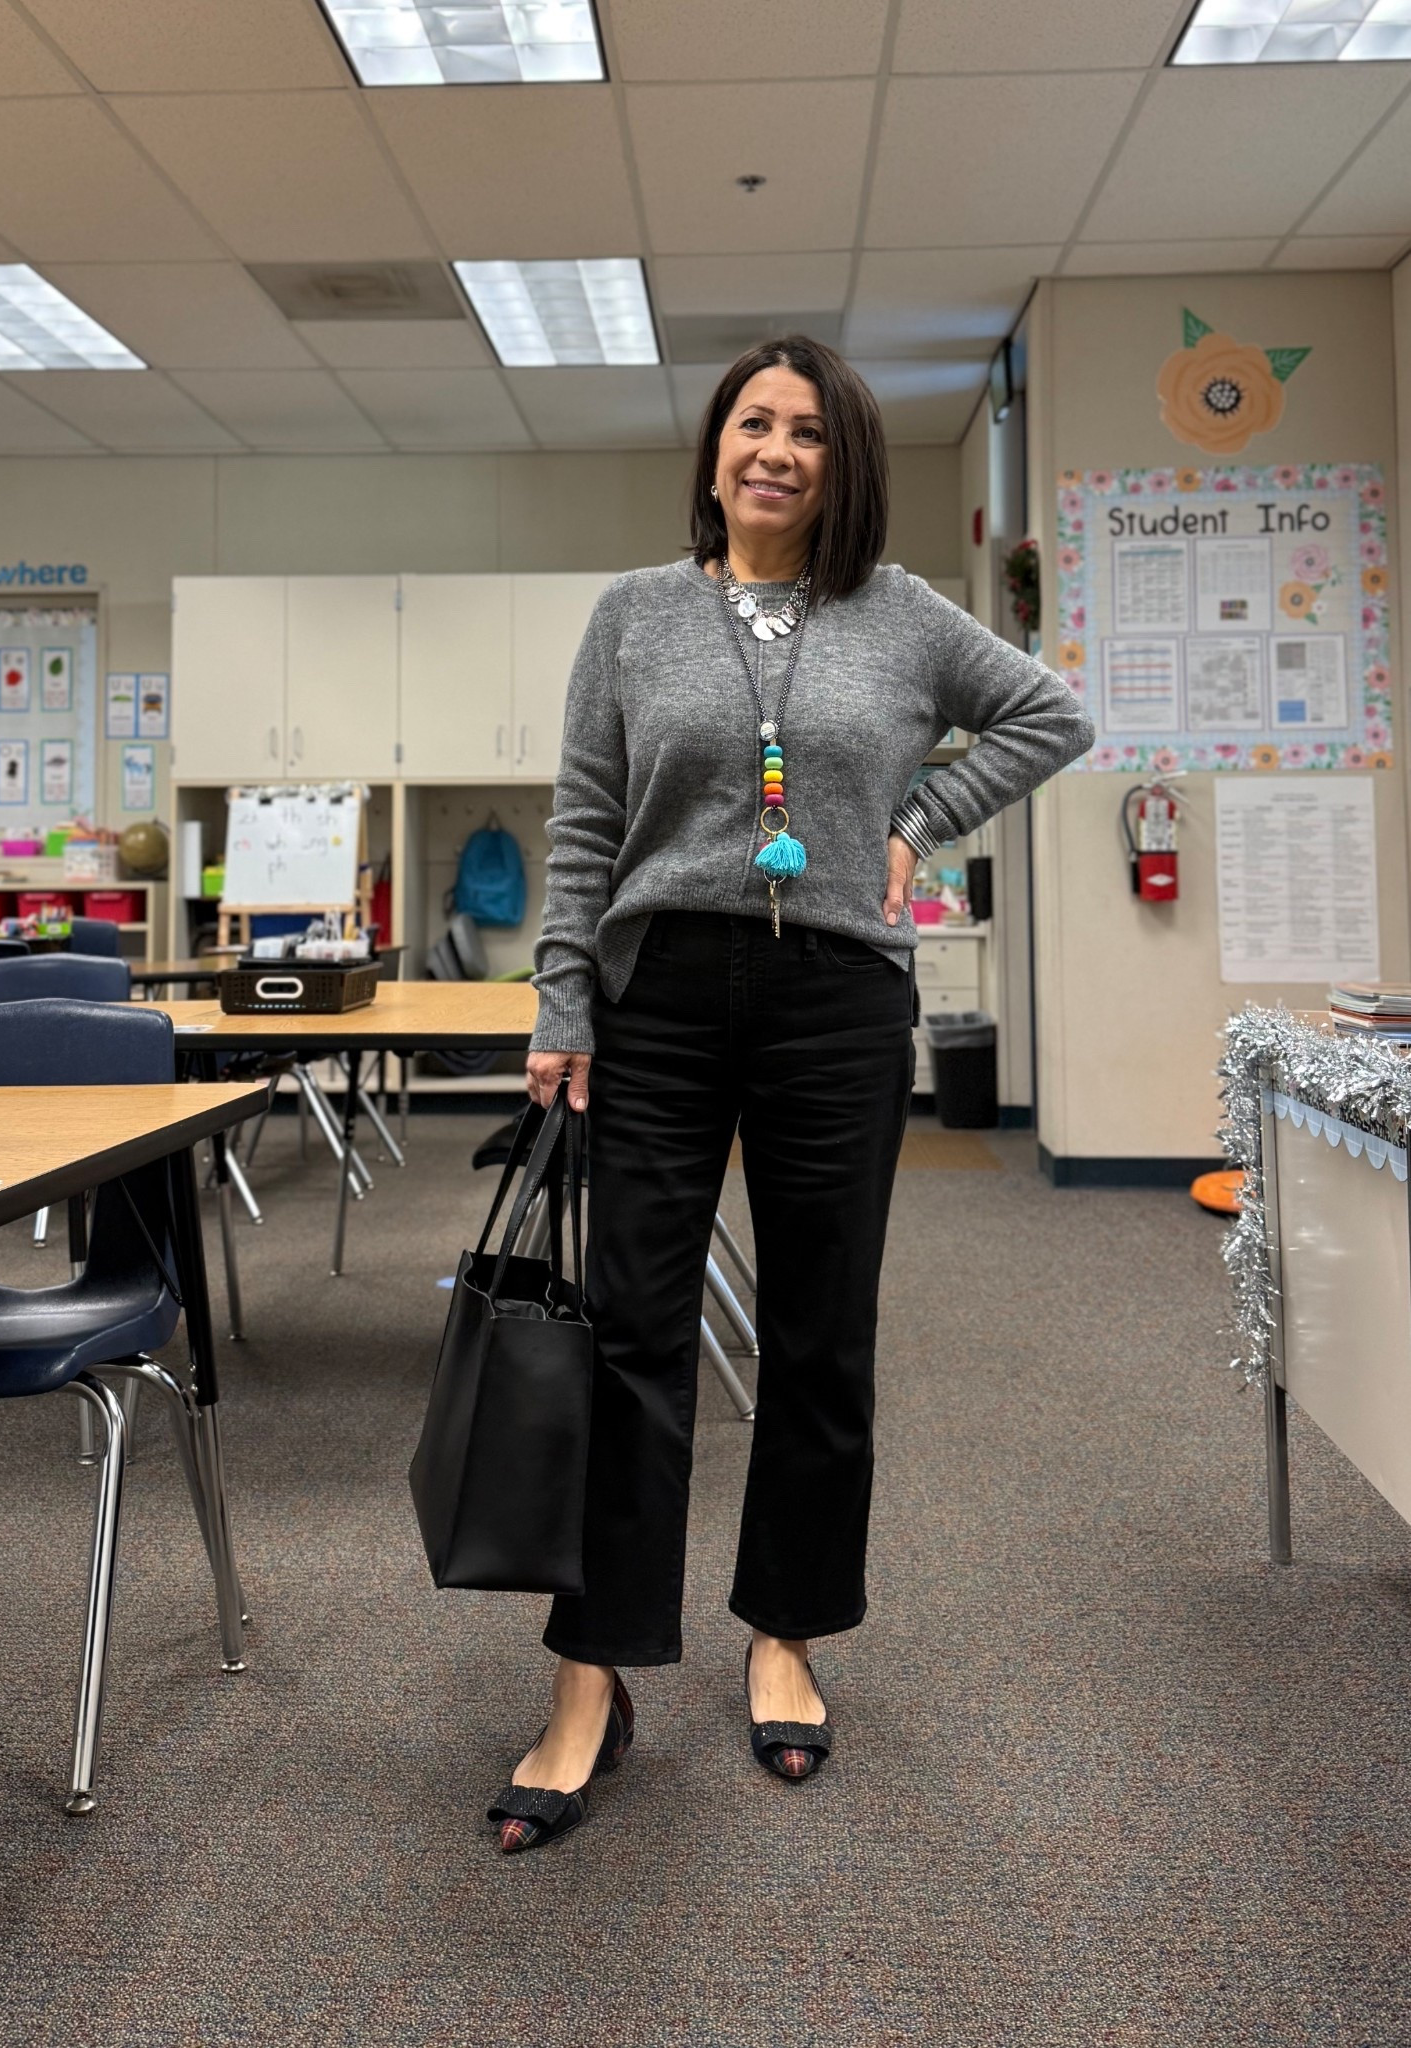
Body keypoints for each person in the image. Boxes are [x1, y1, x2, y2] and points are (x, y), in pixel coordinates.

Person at [485, 336, 1095, 1854]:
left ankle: (787, 1633)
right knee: (634, 1338)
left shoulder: (902, 616)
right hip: (662, 994)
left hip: (834, 999)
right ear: (713, 449)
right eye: (751, 420)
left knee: (822, 1335)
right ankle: (588, 1677)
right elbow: (582, 819)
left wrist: (918, 823)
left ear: (844, 462)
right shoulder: (633, 615)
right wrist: (564, 999)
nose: (775, 448)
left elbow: (1051, 717)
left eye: (809, 431)